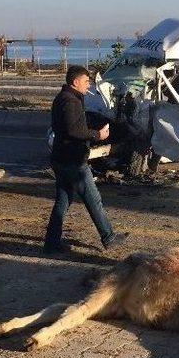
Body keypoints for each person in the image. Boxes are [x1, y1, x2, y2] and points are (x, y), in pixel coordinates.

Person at [44, 65, 126, 253]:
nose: (89, 85)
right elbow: (74, 130)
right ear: (75, 82)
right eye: (86, 81)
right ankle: (109, 237)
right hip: (73, 160)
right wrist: (98, 135)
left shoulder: (65, 98)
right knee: (93, 199)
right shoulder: (70, 101)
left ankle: (51, 243)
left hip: (62, 157)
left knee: (63, 201)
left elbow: (70, 127)